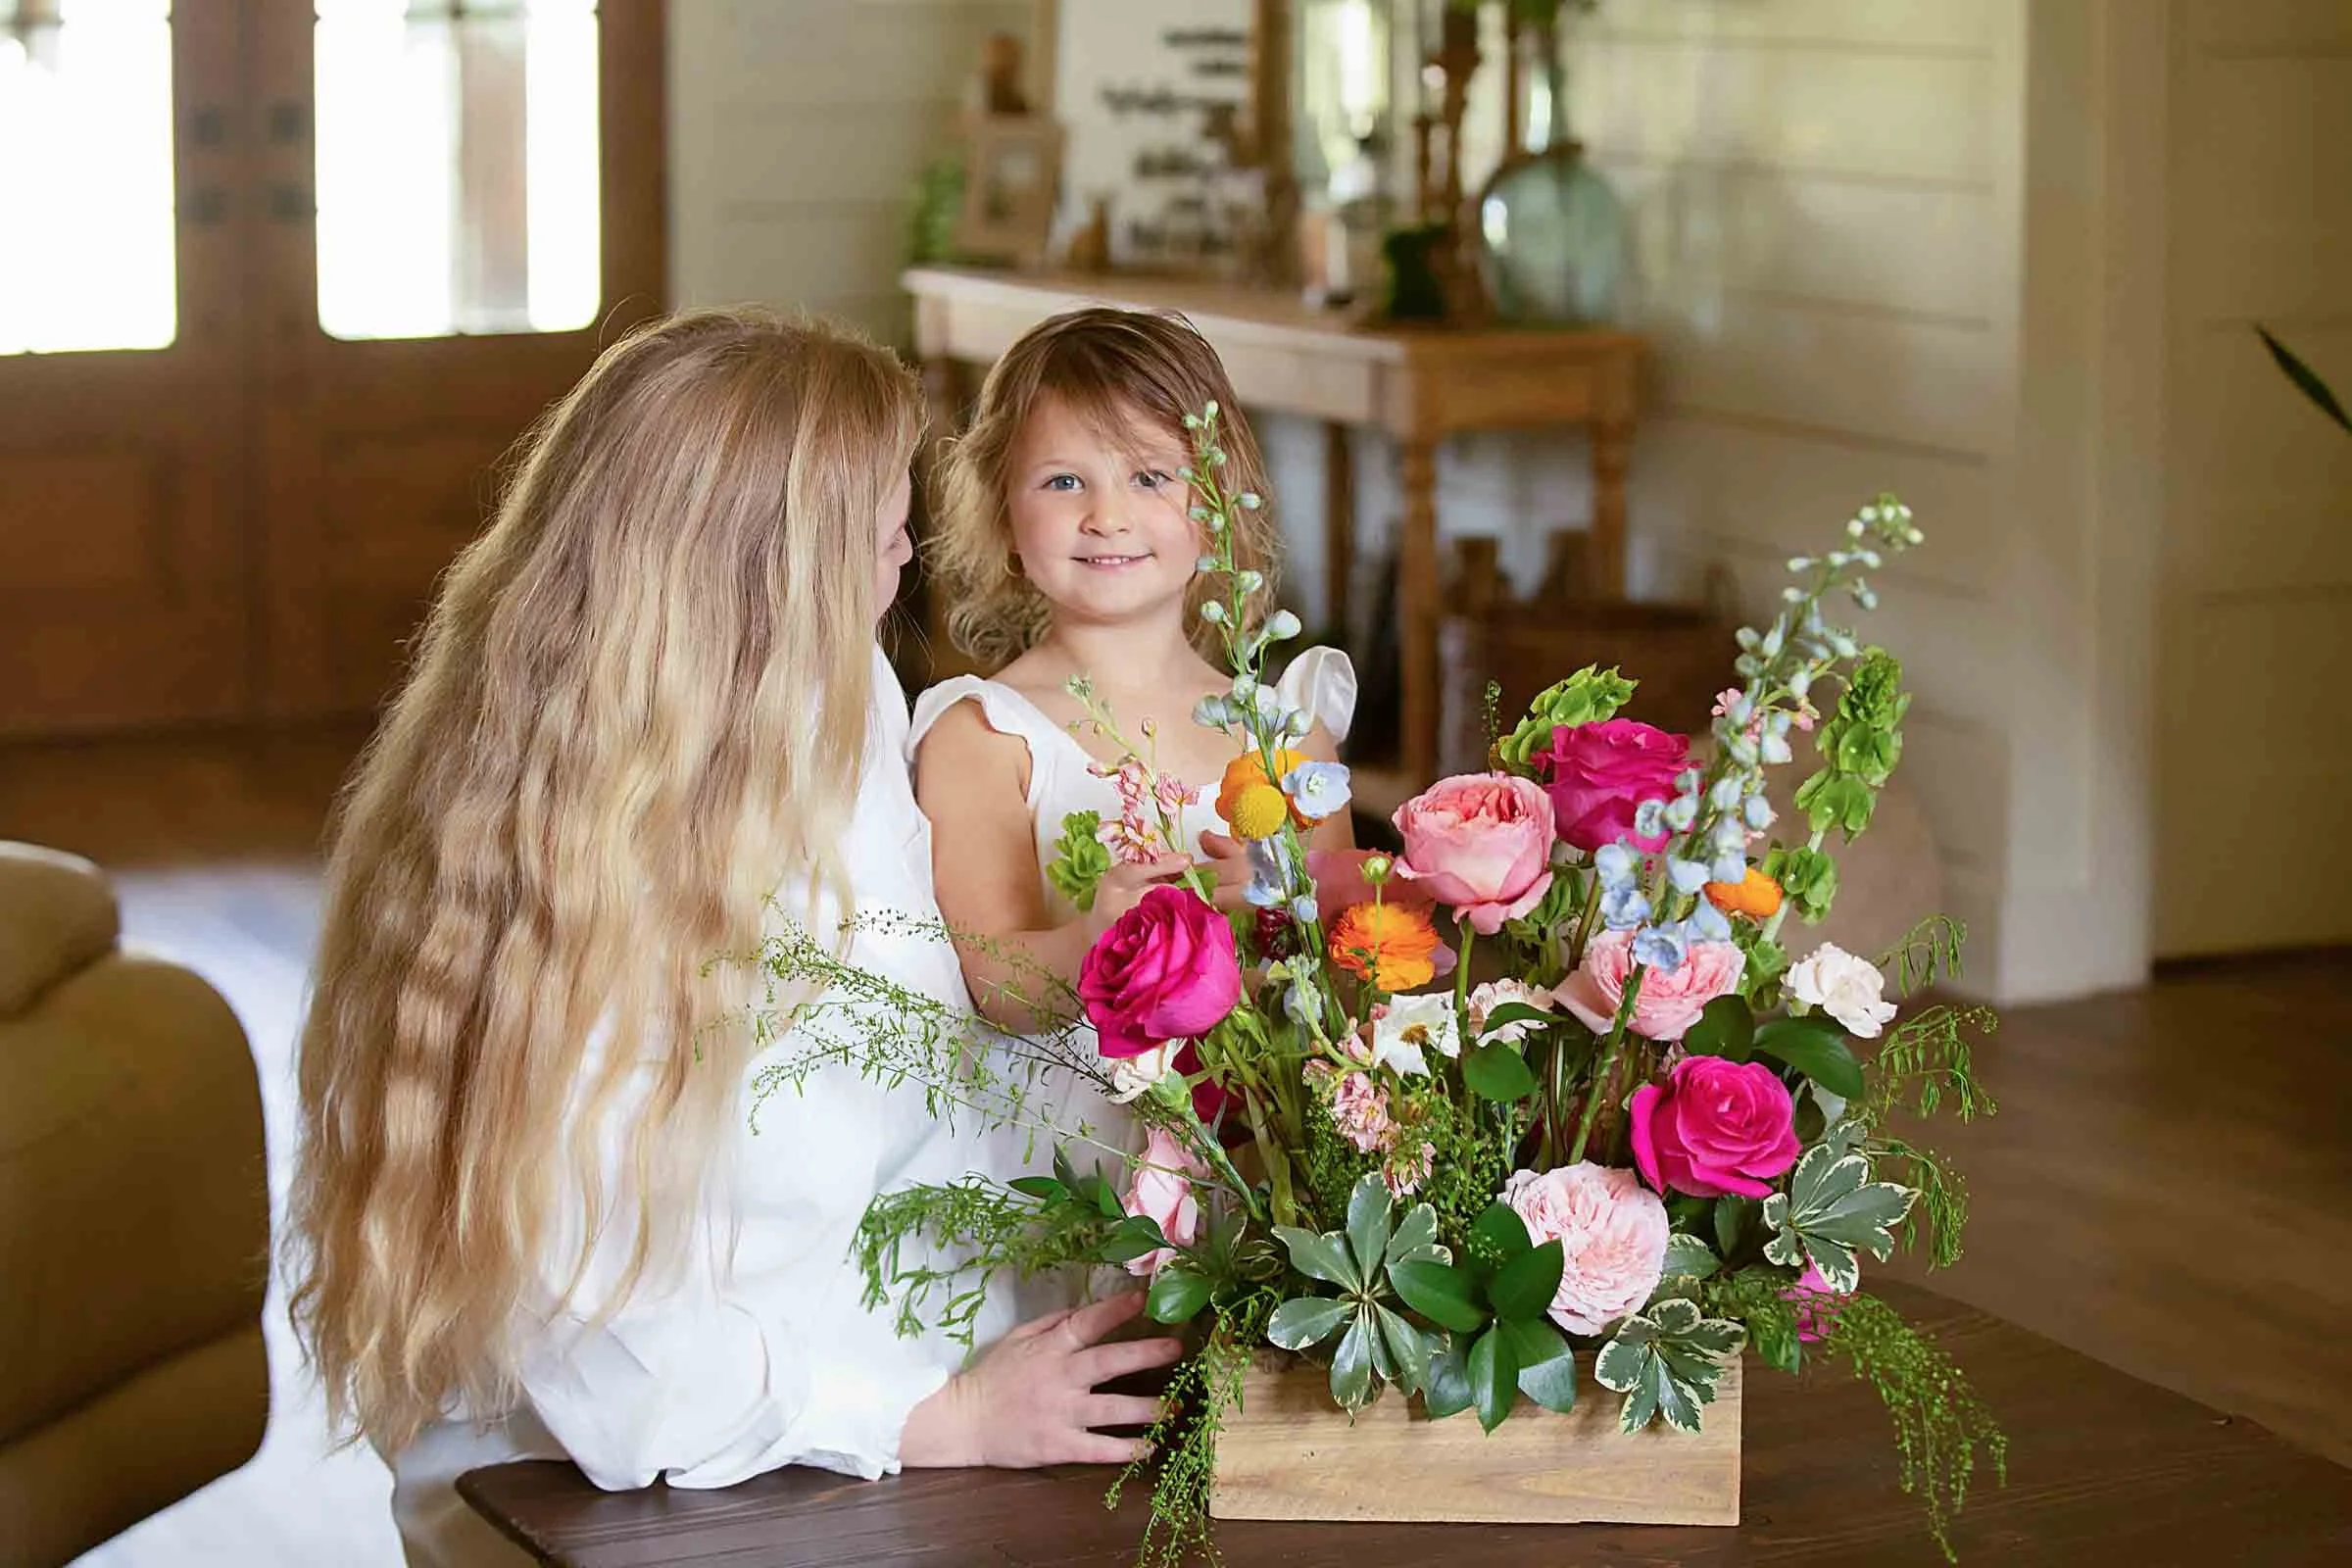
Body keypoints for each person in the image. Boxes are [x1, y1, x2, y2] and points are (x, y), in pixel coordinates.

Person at [285, 309, 1179, 1568]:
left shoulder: (842, 691)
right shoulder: (592, 895)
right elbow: (617, 1365)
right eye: (876, 516)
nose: (907, 543)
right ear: (763, 567)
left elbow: (916, 1035)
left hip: (859, 1386)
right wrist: (941, 1416)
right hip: (644, 1482)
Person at [910, 307, 1357, 1116]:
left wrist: (1285, 914)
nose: (1106, 515)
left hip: (1262, 1170)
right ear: (1003, 511)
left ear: (1218, 505)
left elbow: (1348, 965)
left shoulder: (1288, 735)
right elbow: (987, 979)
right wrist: (1092, 939)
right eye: (1063, 481)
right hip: (1071, 1171)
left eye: (1150, 477)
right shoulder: (986, 736)